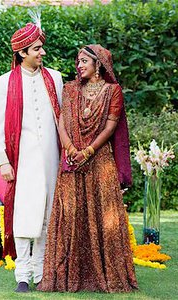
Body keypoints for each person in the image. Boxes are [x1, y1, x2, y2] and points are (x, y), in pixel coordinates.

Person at [37, 44, 138, 293]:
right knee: (70, 215)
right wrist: (71, 149)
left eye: (84, 61)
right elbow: (61, 121)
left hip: (100, 161)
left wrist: (88, 151)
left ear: (98, 64)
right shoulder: (70, 89)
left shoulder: (113, 91)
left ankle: (107, 275)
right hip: (72, 161)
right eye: (78, 61)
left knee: (105, 218)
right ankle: (69, 276)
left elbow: (111, 126)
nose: (79, 65)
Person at [0, 21, 63, 293]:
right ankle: (22, 274)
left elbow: (62, 120)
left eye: (41, 48)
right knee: (23, 216)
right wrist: (3, 162)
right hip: (20, 161)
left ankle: (42, 272)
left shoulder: (54, 78)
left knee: (47, 215)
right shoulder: (4, 83)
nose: (42, 53)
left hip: (50, 159)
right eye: (37, 49)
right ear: (22, 53)